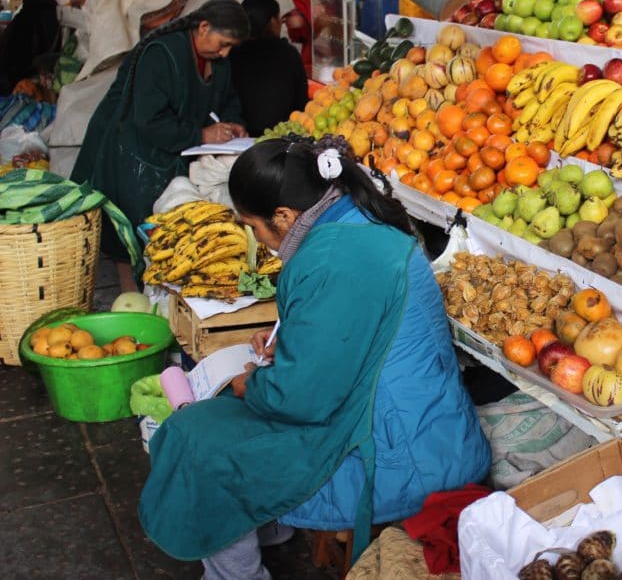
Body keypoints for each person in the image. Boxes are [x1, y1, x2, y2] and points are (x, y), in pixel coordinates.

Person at [138, 135, 491, 579]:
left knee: (196, 443)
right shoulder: (357, 218)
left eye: (255, 226)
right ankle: (267, 528)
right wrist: (292, 336)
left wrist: (251, 384)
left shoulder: (330, 259)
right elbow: (352, 329)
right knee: (218, 424)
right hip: (424, 425)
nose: (258, 239)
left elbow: (300, 397)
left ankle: (239, 570)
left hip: (397, 451)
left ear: (283, 216)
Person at [71, 0, 249, 292]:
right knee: (129, 226)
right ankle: (133, 294)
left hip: (173, 150)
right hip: (135, 150)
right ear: (203, 27)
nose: (225, 52)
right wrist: (202, 135)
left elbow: (227, 98)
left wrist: (232, 122)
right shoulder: (161, 54)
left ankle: (161, 295)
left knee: (169, 227)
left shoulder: (218, 61)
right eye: (223, 43)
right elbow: (149, 119)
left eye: (231, 47)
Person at [230, 0, 308, 136]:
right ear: (273, 21)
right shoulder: (288, 53)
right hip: (283, 136)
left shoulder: (232, 53)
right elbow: (301, 103)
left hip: (239, 136)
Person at [0, 0, 60, 95]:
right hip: (41, 55)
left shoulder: (29, 13)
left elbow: (14, 46)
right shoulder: (50, 4)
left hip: (29, 64)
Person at [284, 0, 312, 77]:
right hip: (310, 59)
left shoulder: (331, 3)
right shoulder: (300, 9)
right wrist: (297, 26)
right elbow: (297, 38)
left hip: (333, 58)